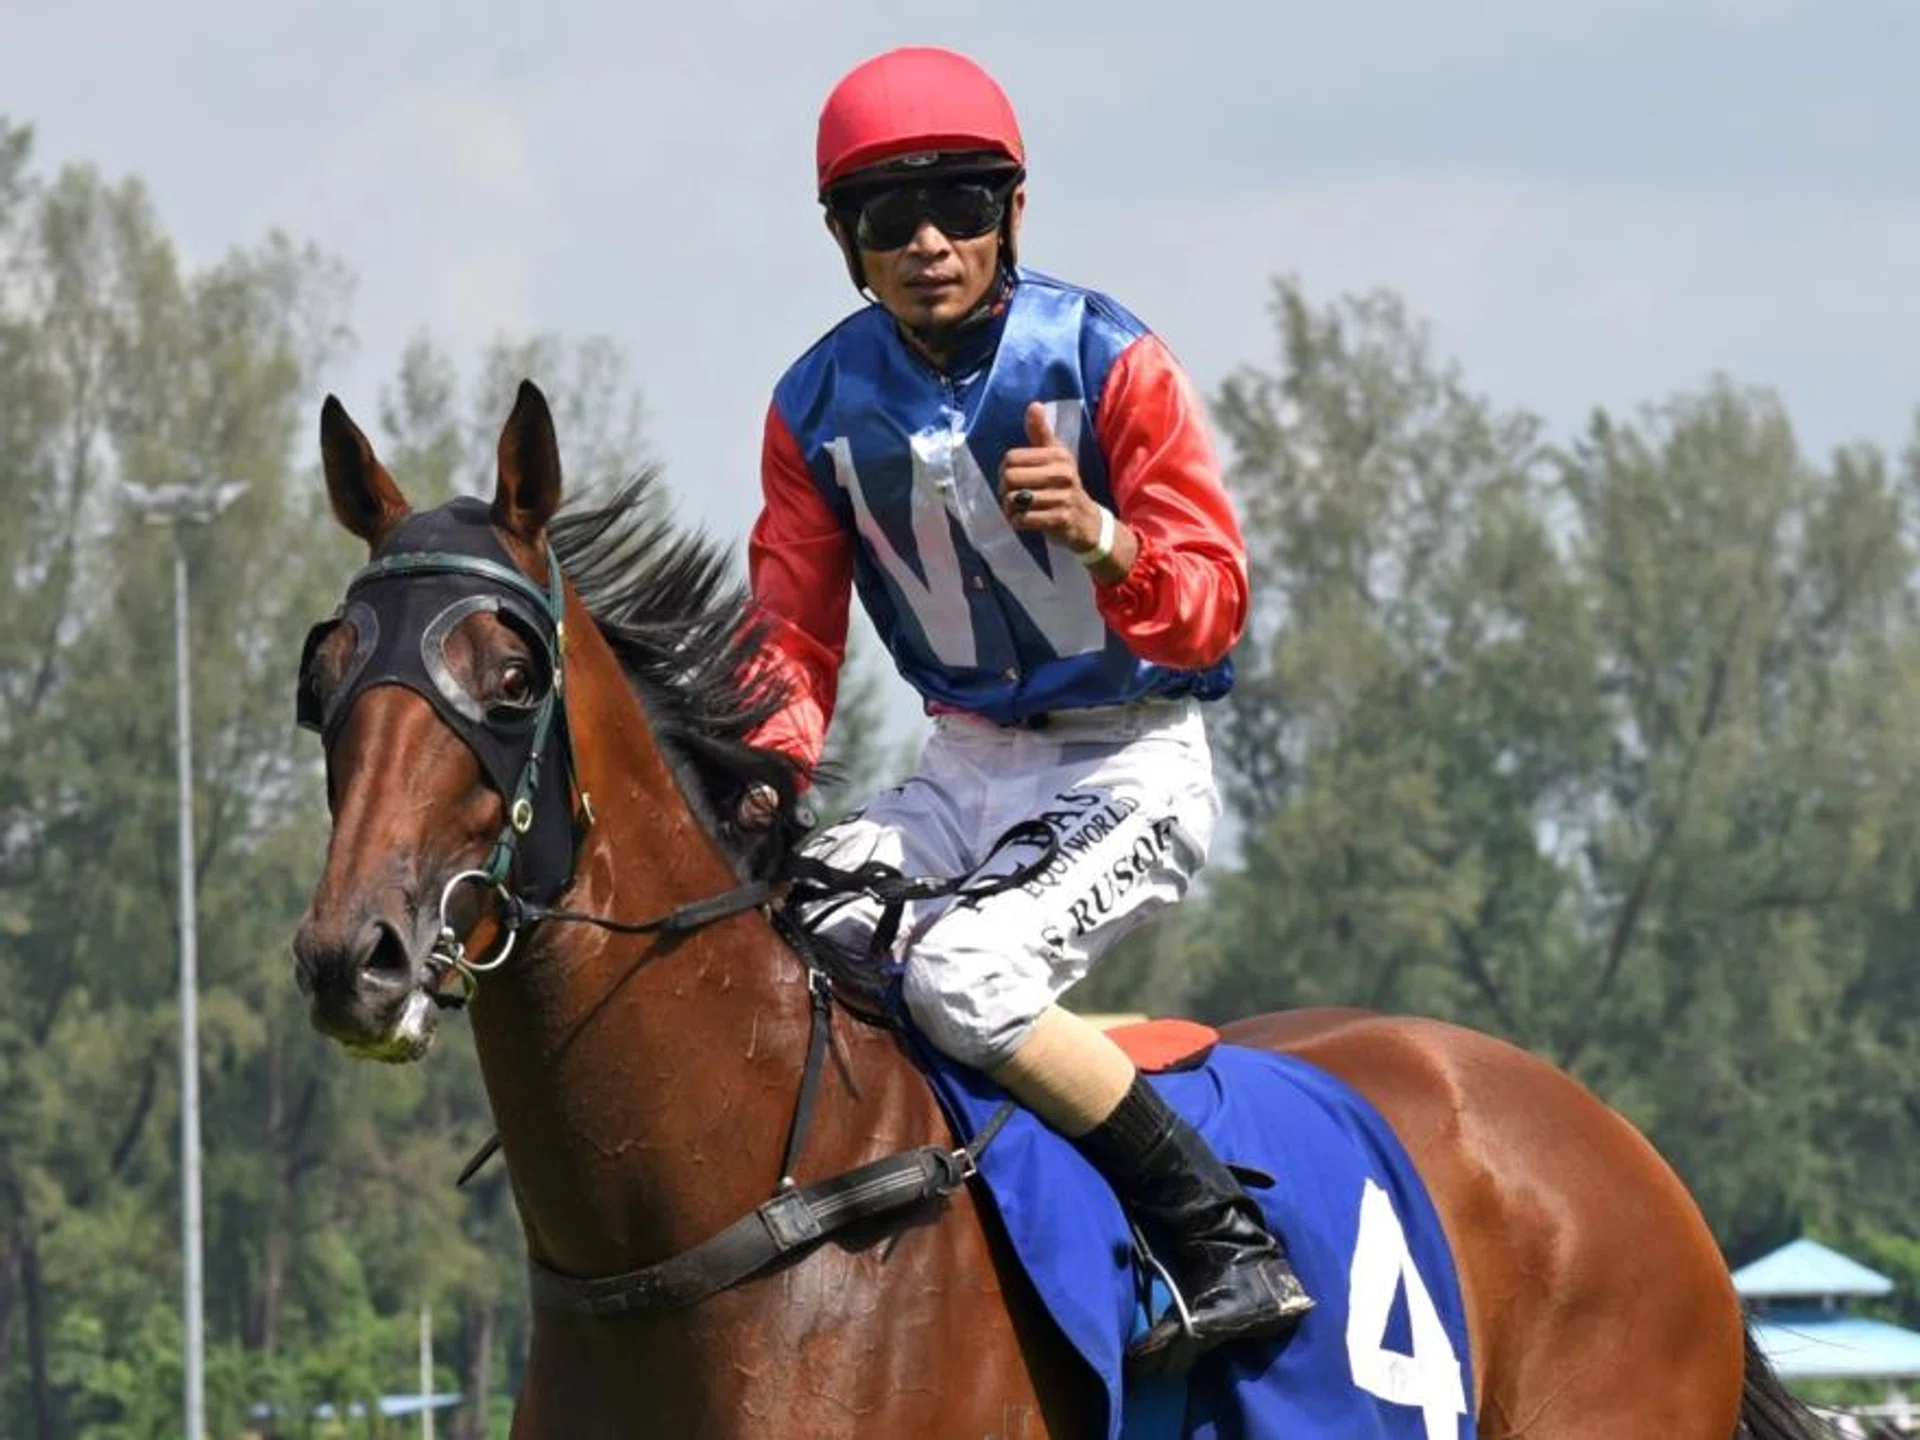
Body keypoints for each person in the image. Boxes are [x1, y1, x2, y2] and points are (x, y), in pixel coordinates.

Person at [737, 44, 1313, 1374]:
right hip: (956, 768)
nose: (931, 241)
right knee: (782, 932)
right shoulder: (811, 405)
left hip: (1129, 759)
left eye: (965, 205)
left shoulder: (1109, 357)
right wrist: (766, 779)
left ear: (1015, 212)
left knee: (961, 973)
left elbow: (1216, 611)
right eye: (892, 217)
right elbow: (788, 636)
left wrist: (1109, 543)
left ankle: (1221, 1234)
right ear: (846, 241)